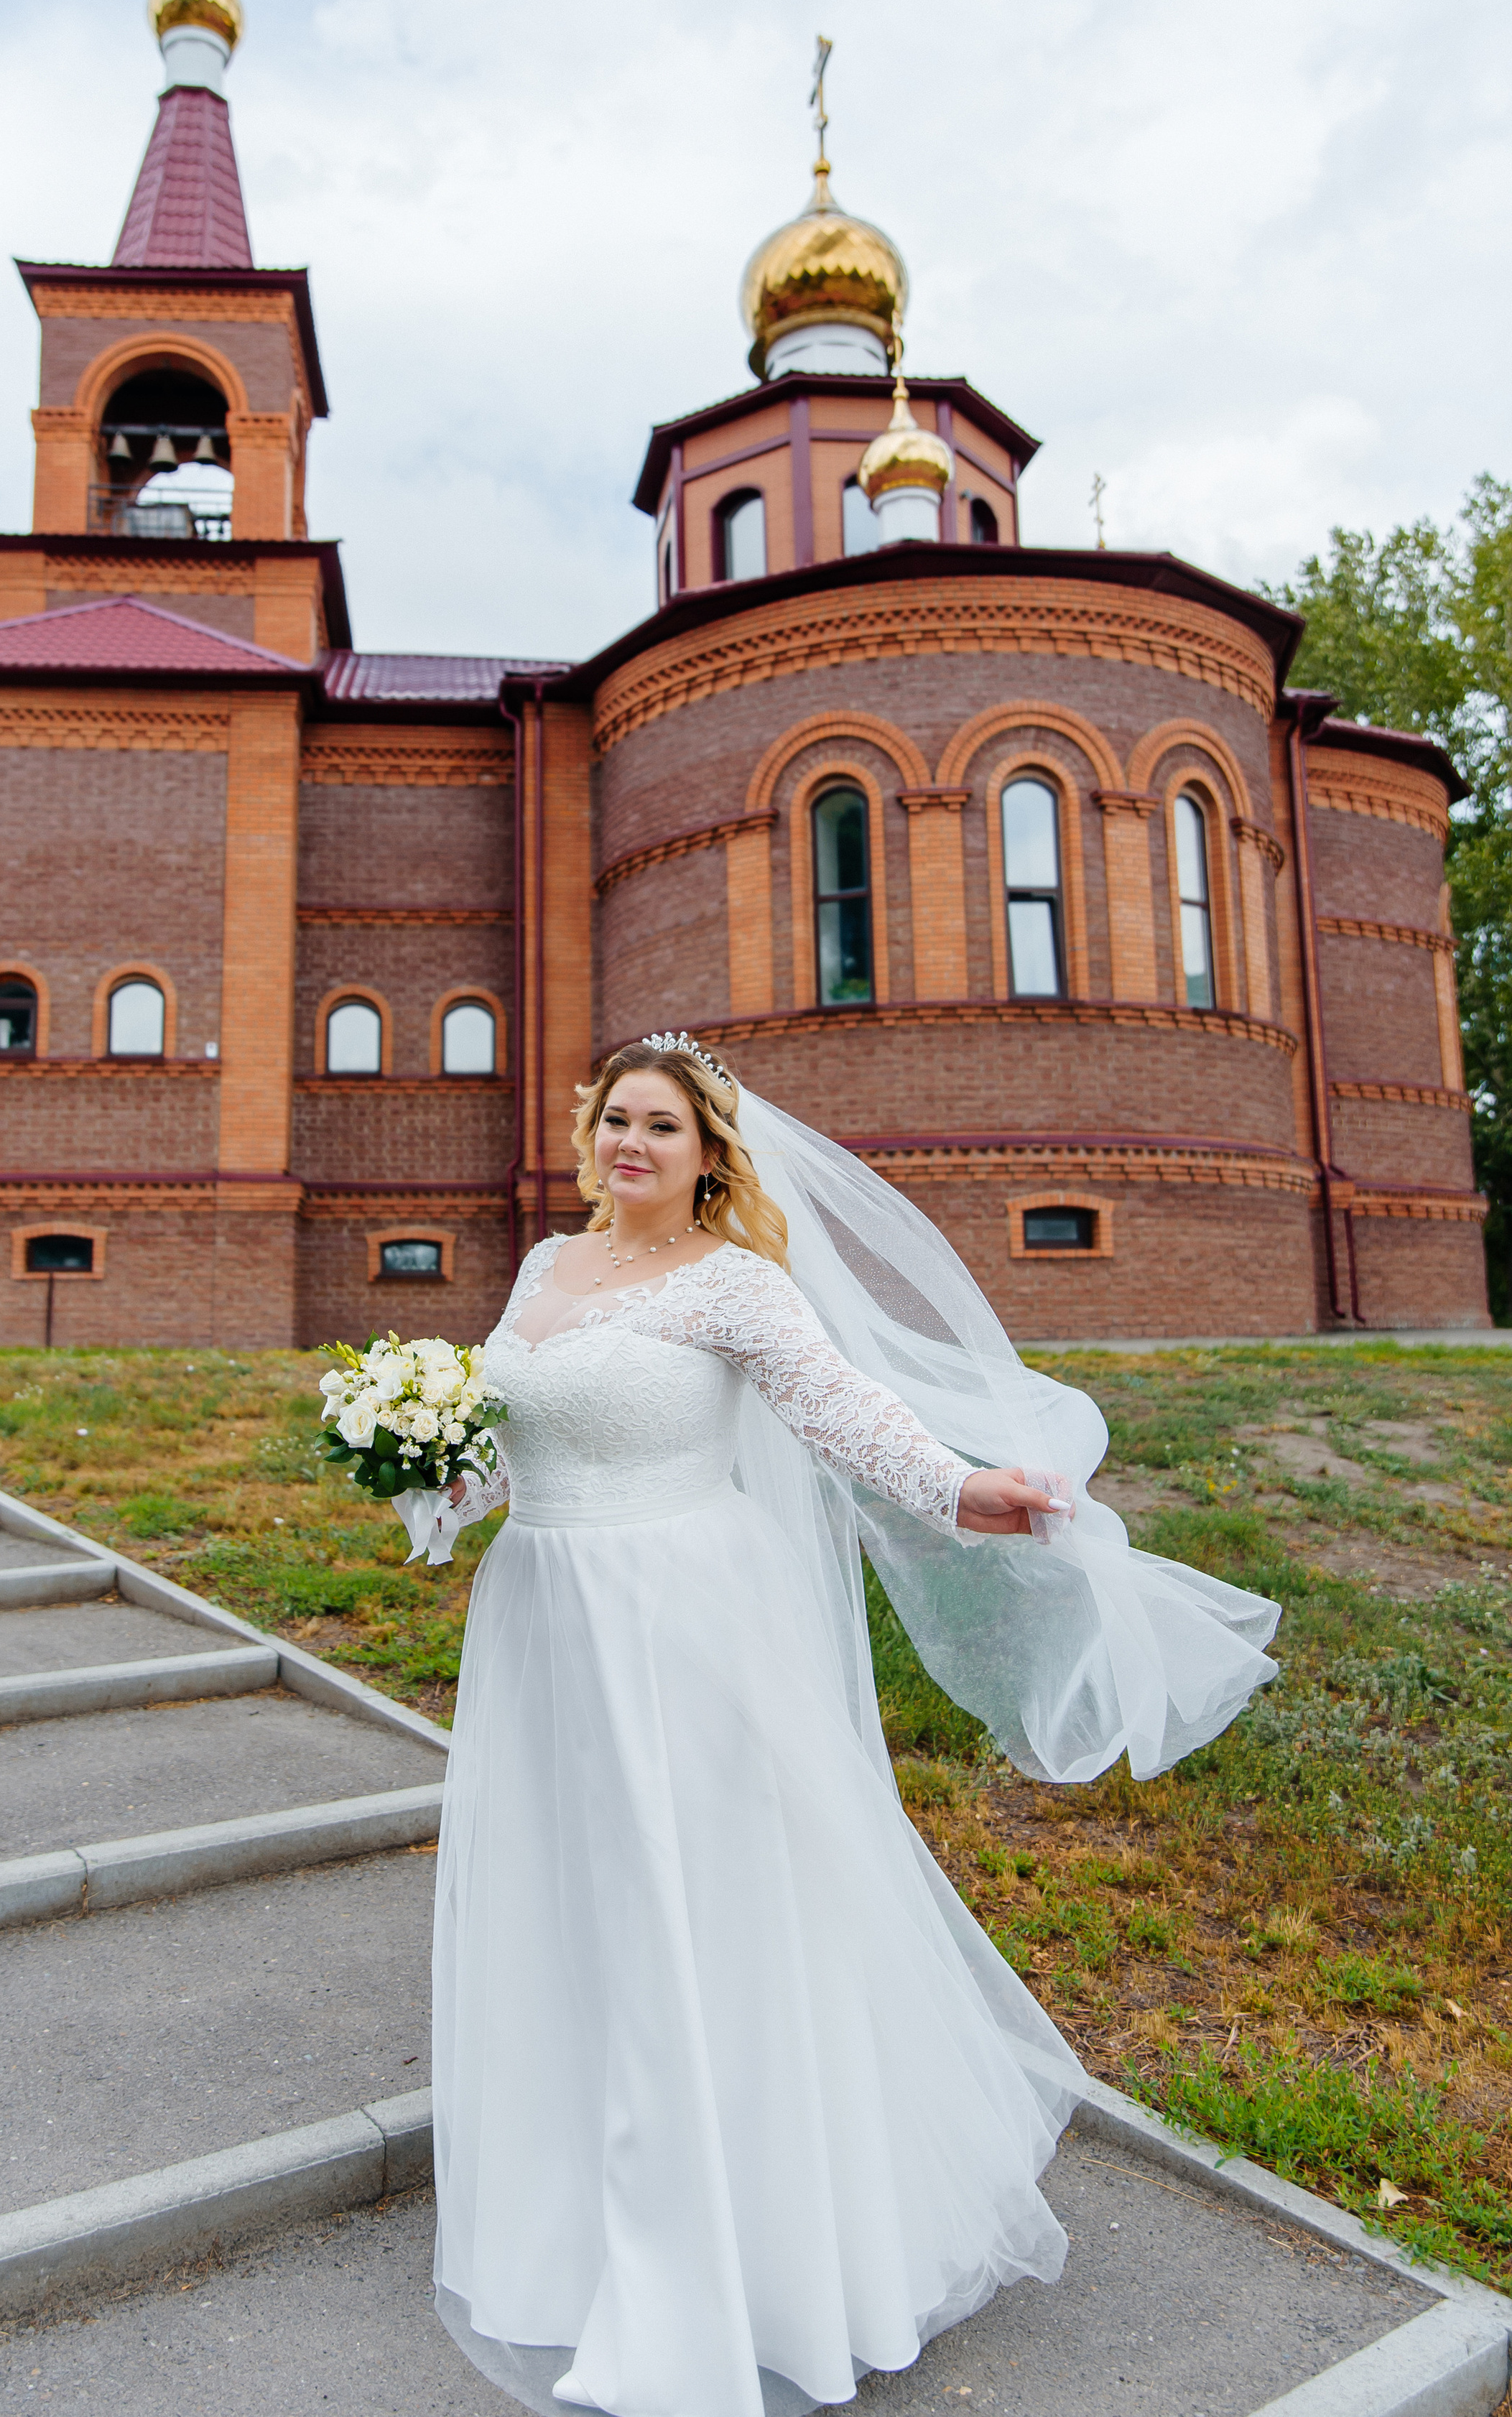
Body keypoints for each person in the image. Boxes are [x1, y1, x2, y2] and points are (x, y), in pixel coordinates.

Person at [395, 1035, 1280, 2417]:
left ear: (709, 1154)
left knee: (689, 1910)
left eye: (663, 1126)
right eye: (618, 1118)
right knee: (568, 1902)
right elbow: (521, 1435)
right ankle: (569, 2224)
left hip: (677, 1621)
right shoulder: (545, 1268)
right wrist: (429, 1468)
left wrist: (962, 1490)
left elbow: (843, 1411)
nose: (633, 1143)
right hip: (542, 1623)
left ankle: (726, 2254)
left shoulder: (736, 1282)